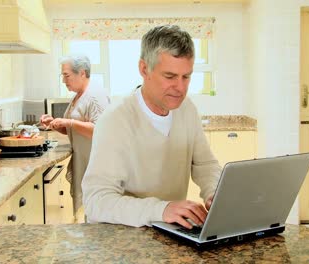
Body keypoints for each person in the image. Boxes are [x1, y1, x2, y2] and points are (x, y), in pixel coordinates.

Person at [82, 25, 221, 228]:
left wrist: (214, 192)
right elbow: (96, 201)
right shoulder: (115, 120)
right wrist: (161, 210)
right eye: (170, 76)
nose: (180, 88)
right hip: (125, 236)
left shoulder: (187, 110)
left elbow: (205, 164)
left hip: (170, 232)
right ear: (144, 69)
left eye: (186, 77)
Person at [41, 55, 110, 221]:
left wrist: (69, 122)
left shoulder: (95, 96)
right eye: (62, 76)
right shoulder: (78, 95)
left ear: (82, 73)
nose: (64, 81)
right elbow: (73, 130)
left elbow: (100, 131)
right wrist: (55, 124)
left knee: (96, 212)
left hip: (96, 164)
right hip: (84, 161)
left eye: (67, 75)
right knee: (87, 211)